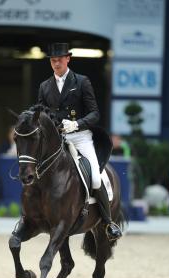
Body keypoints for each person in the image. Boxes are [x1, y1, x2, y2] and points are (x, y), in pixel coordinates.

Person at [37, 42, 121, 240]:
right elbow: (40, 115)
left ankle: (108, 222)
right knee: (35, 171)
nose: (56, 63)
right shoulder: (45, 86)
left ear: (68, 59)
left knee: (94, 176)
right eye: (53, 60)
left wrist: (76, 124)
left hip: (80, 136)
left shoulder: (81, 82)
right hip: (56, 139)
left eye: (59, 59)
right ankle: (32, 215)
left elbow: (94, 113)